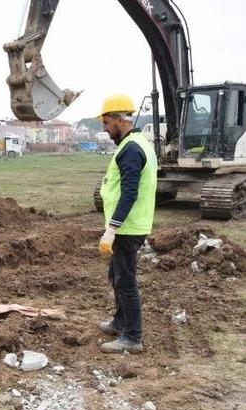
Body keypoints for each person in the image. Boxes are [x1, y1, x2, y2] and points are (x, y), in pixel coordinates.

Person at [96, 94, 158, 354]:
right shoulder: (133, 144)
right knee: (116, 275)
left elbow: (129, 193)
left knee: (126, 280)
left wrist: (112, 229)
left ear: (120, 120)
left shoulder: (131, 149)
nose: (105, 128)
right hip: (128, 225)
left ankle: (132, 337)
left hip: (128, 227)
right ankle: (120, 321)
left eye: (107, 122)